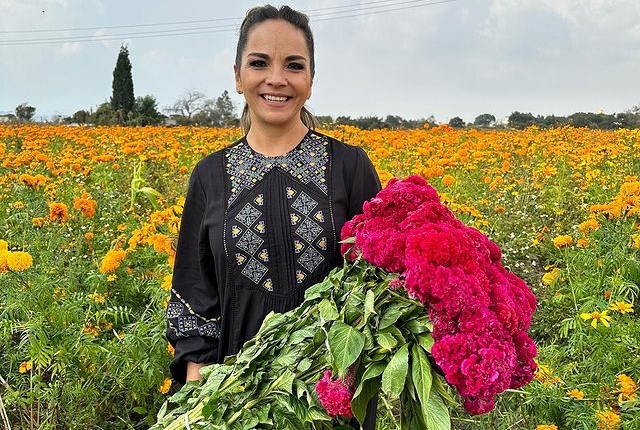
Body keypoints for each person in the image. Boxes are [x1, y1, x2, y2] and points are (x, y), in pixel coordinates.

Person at [165, 4, 381, 428]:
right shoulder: (210, 176)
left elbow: (381, 281)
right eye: (259, 63)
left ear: (311, 80)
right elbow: (195, 293)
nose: (276, 78)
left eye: (294, 65)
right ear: (237, 75)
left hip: (334, 396)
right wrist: (197, 401)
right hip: (238, 401)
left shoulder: (351, 167)